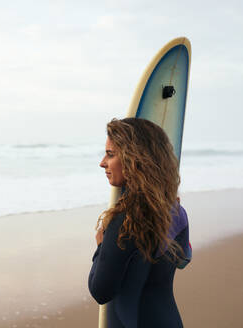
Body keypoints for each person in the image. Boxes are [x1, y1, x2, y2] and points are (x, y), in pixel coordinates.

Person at [88, 118, 192, 328]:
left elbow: (100, 291)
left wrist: (101, 246)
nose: (102, 163)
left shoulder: (125, 222)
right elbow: (183, 260)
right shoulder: (177, 212)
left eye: (110, 154)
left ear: (134, 159)